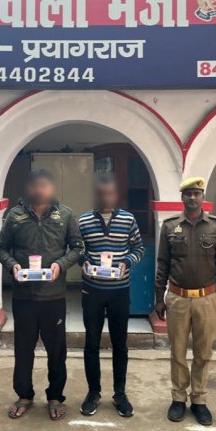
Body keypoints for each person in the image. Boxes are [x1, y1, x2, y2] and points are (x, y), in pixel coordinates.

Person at [0, 169, 84, 421]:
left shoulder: (65, 215)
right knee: (23, 349)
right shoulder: (15, 216)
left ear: (51, 188)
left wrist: (60, 265)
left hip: (53, 296)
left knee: (57, 350)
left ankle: (55, 396)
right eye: (35, 185)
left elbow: (78, 247)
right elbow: (1, 248)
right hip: (24, 296)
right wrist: (12, 265)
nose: (39, 189)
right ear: (28, 188)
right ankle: (24, 395)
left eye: (44, 185)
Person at [154, 177, 216, 426]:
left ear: (203, 197)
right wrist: (159, 298)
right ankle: (178, 398)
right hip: (177, 298)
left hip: (207, 299)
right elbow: (162, 264)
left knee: (203, 352)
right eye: (188, 194)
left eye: (197, 193)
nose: (192, 198)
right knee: (177, 351)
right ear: (182, 198)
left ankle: (199, 399)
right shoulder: (170, 226)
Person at [78, 175, 145, 417]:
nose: (105, 197)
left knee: (120, 345)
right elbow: (77, 250)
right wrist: (84, 262)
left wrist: (127, 261)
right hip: (92, 291)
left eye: (110, 193)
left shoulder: (128, 219)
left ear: (116, 195)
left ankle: (120, 394)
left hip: (119, 291)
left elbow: (138, 247)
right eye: (101, 193)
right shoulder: (84, 221)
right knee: (91, 344)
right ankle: (93, 392)